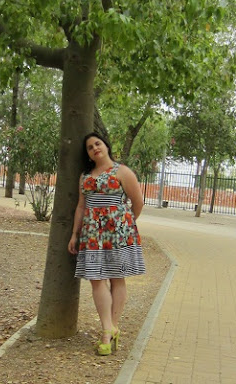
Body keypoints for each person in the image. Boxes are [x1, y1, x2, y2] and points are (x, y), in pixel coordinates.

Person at [68, 132, 146, 356]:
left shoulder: (122, 172)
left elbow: (138, 202)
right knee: (96, 279)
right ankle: (107, 328)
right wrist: (74, 234)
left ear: (106, 146)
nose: (95, 148)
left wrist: (125, 224)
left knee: (117, 277)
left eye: (97, 144)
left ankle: (110, 330)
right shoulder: (85, 176)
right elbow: (81, 206)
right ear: (88, 154)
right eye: (90, 147)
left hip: (118, 233)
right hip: (92, 233)